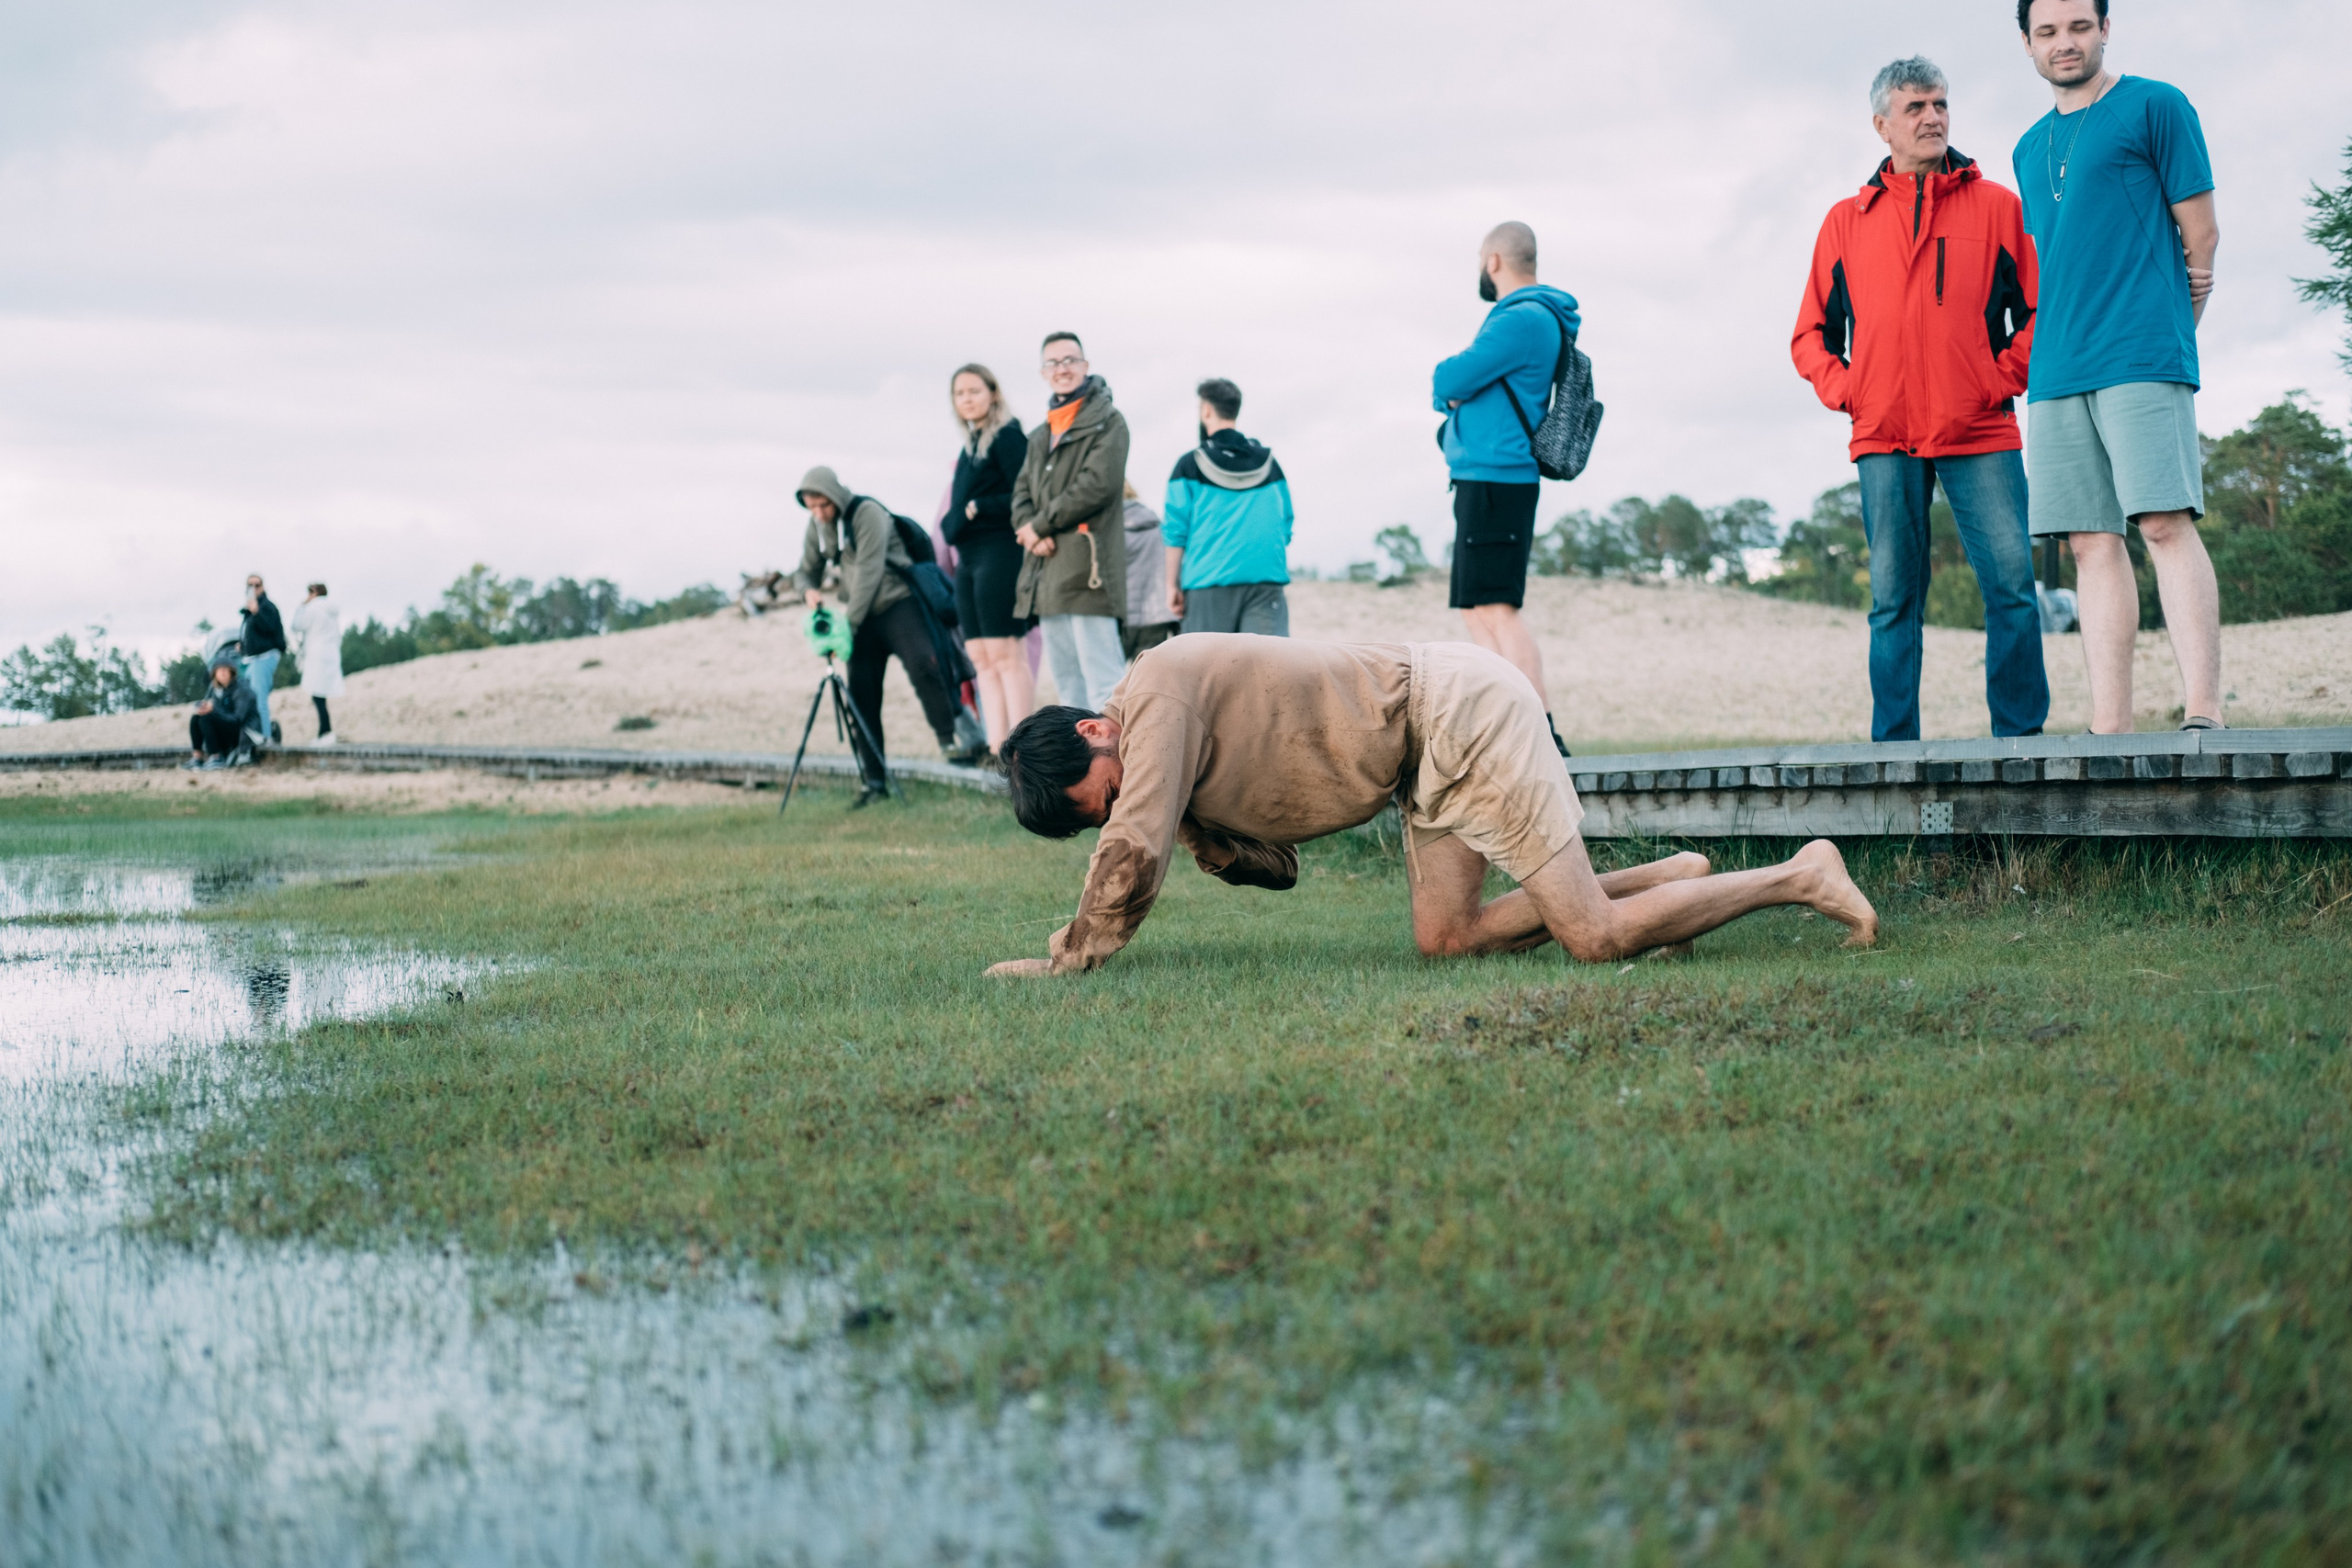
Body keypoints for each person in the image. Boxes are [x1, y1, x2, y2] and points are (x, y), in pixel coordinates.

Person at [984, 636, 1877, 977]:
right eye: (1098, 816)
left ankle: (1800, 874)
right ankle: (1670, 880)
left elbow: (1134, 848)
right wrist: (1200, 832)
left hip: (1454, 711)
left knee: (1592, 939)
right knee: (1444, 938)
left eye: (1104, 798)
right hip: (1421, 761)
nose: (1118, 814)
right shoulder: (1169, 754)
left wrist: (1073, 955)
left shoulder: (1159, 691)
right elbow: (1276, 866)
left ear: (1100, 729)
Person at [1792, 56, 2051, 742]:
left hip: (1979, 431)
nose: (1933, 117)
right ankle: (1892, 755)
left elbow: (2038, 314)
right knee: (1892, 602)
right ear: (1883, 126)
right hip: (1884, 435)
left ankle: (2019, 748)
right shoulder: (1844, 223)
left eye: (1940, 105)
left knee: (2013, 591)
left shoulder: (1998, 205)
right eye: (1915, 108)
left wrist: (1995, 381)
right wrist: (1853, 391)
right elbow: (1810, 336)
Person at [2013, 0, 2222, 732]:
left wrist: (2169, 327)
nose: (2064, 43)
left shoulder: (2157, 105)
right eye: (2048, 32)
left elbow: (2202, 236)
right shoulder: (2027, 146)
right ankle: (2112, 726)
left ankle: (2203, 709)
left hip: (2139, 351)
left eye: (2078, 26)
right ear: (2029, 45)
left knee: (2163, 521)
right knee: (2088, 542)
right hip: (2057, 366)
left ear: (2105, 28)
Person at [1431, 223, 1581, 757]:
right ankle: (1513, 724)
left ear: (1494, 260)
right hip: (1487, 477)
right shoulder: (1531, 319)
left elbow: (1449, 379)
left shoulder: (1521, 319)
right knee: (1477, 607)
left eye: (1480, 259)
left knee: (1496, 608)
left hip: (1498, 476)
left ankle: (1540, 729)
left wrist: (1451, 390)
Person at [792, 466, 969, 806]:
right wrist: (807, 592)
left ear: (834, 494)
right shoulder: (818, 527)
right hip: (860, 617)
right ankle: (873, 781)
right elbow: (805, 570)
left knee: (925, 665)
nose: (819, 513)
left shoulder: (867, 512)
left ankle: (951, 742)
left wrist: (847, 626)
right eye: (812, 508)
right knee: (861, 696)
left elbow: (870, 574)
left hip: (896, 602)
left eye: (823, 505)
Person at [1011, 332, 1128, 712]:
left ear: (1085, 366)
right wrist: (1030, 530)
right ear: (1044, 372)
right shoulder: (1038, 435)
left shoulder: (1109, 423)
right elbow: (1020, 495)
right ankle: (1080, 770)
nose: (1062, 369)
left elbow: (1096, 487)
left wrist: (1040, 526)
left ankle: (1120, 771)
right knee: (1067, 689)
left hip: (1088, 572)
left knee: (1104, 687)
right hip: (1047, 576)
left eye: (1070, 360)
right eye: (1053, 363)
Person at [945, 364, 1035, 761]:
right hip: (968, 559)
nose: (966, 399)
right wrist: (964, 514)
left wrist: (977, 507)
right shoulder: (970, 447)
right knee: (981, 657)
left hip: (1001, 553)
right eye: (959, 393)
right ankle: (997, 748)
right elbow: (950, 524)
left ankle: (1023, 751)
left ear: (992, 393)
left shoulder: (1008, 436)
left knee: (1007, 655)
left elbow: (1026, 493)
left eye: (974, 391)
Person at [1163, 378, 1294, 637]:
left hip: (1207, 583)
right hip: (1266, 582)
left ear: (1206, 410)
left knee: (1207, 674)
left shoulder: (1188, 466)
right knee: (1268, 672)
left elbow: (1175, 531)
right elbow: (1285, 523)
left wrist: (1171, 585)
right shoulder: (1270, 465)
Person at [1121, 481, 1179, 660]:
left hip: (1120, 616)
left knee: (1111, 681)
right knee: (1147, 680)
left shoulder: (1108, 529)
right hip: (1156, 616)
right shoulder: (1158, 526)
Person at [182, 656, 261, 770]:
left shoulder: (242, 689)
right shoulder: (216, 689)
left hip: (242, 731)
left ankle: (216, 757)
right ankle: (197, 757)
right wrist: (201, 706)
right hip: (228, 726)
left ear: (232, 672)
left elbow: (238, 719)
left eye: (225, 670)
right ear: (215, 674)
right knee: (196, 718)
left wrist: (214, 709)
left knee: (206, 719)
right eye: (219, 670)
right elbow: (209, 704)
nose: (222, 673)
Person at [289, 582, 345, 744]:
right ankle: (324, 732)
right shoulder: (332, 612)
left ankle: (326, 732)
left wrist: (301, 607)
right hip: (331, 654)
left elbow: (296, 626)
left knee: (317, 694)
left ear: (314, 593)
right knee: (321, 694)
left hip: (316, 655)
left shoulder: (313, 608)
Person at [239, 573, 287, 748]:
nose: (254, 588)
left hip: (265, 657)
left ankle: (267, 737)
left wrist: (257, 612)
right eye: (250, 585)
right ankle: (257, 733)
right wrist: (241, 646)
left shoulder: (267, 606)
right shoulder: (249, 610)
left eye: (257, 585)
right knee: (249, 698)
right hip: (252, 659)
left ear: (263, 586)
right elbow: (249, 634)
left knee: (260, 698)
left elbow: (271, 628)